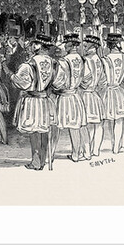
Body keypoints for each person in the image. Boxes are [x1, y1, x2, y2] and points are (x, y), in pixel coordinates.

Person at [10, 34, 56, 170]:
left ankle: (36, 161)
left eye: (33, 44)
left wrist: (10, 74)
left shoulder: (28, 64)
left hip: (33, 101)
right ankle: (43, 160)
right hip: (46, 101)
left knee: (34, 132)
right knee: (44, 130)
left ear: (38, 46)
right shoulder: (54, 63)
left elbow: (21, 83)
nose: (30, 46)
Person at [51, 32, 88, 162]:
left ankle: (50, 154)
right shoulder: (82, 59)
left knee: (56, 126)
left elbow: (58, 81)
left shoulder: (64, 61)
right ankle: (76, 154)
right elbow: (85, 78)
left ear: (69, 44)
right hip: (75, 96)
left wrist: (54, 87)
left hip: (65, 97)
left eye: (65, 43)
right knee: (75, 127)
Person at [100, 32, 124, 154]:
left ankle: (113, 145)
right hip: (120, 91)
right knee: (119, 120)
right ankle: (117, 147)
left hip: (108, 92)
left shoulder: (105, 59)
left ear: (109, 44)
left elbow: (102, 79)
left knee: (109, 120)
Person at [79, 34, 106, 158]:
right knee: (98, 125)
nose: (83, 47)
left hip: (86, 95)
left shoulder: (86, 60)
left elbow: (84, 80)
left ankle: (87, 152)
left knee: (85, 125)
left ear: (92, 46)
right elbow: (103, 81)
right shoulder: (99, 60)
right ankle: (96, 150)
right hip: (95, 95)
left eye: (86, 45)